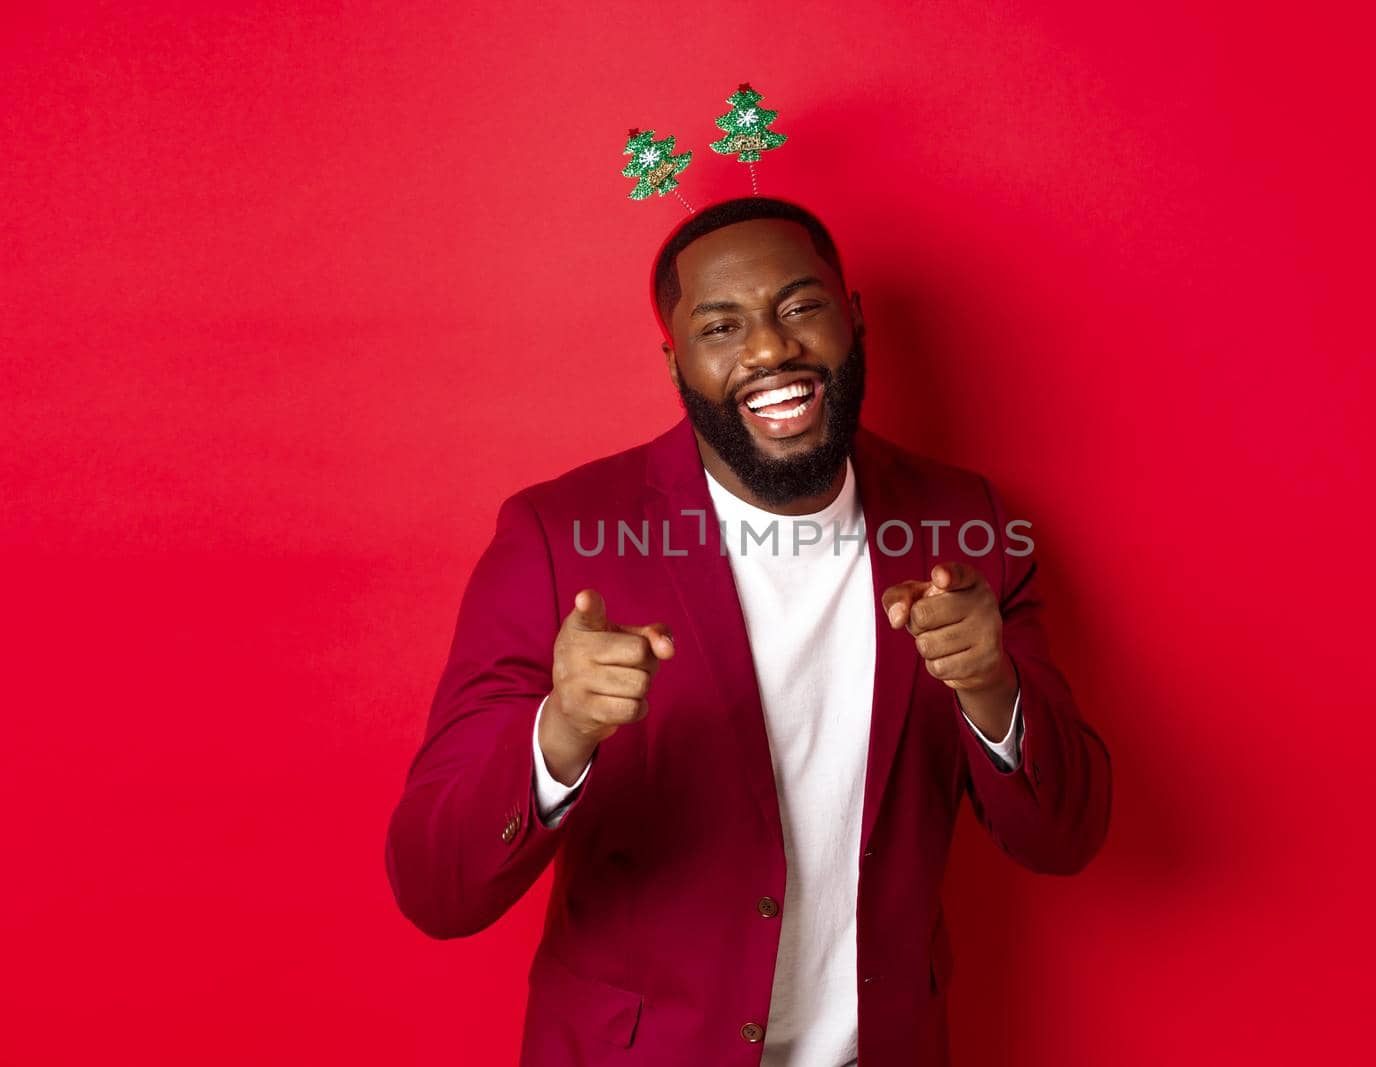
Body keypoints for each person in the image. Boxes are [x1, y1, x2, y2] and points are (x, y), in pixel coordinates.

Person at [384, 196, 1112, 1066]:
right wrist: (561, 734)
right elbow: (435, 888)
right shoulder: (556, 538)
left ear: (854, 319)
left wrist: (993, 687)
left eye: (800, 307)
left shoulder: (967, 525)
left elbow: (1066, 836)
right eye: (722, 326)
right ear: (676, 362)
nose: (770, 349)